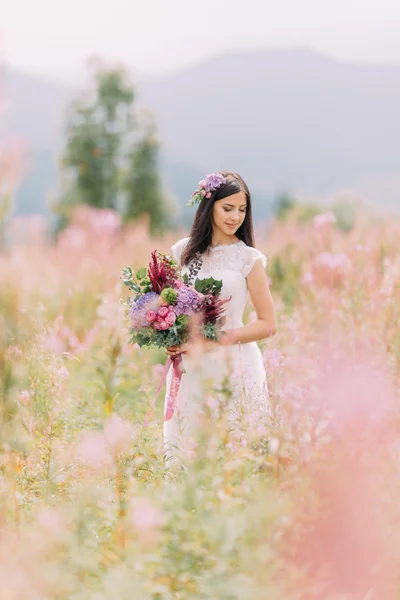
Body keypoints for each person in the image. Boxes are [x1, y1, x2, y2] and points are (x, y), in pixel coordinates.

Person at [164, 171, 277, 466]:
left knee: (235, 452)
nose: (235, 217)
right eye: (228, 208)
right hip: (192, 364)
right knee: (189, 450)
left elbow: (268, 323)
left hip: (235, 362)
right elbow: (170, 308)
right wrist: (170, 339)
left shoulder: (248, 259)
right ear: (209, 205)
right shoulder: (183, 252)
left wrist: (218, 339)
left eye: (242, 210)